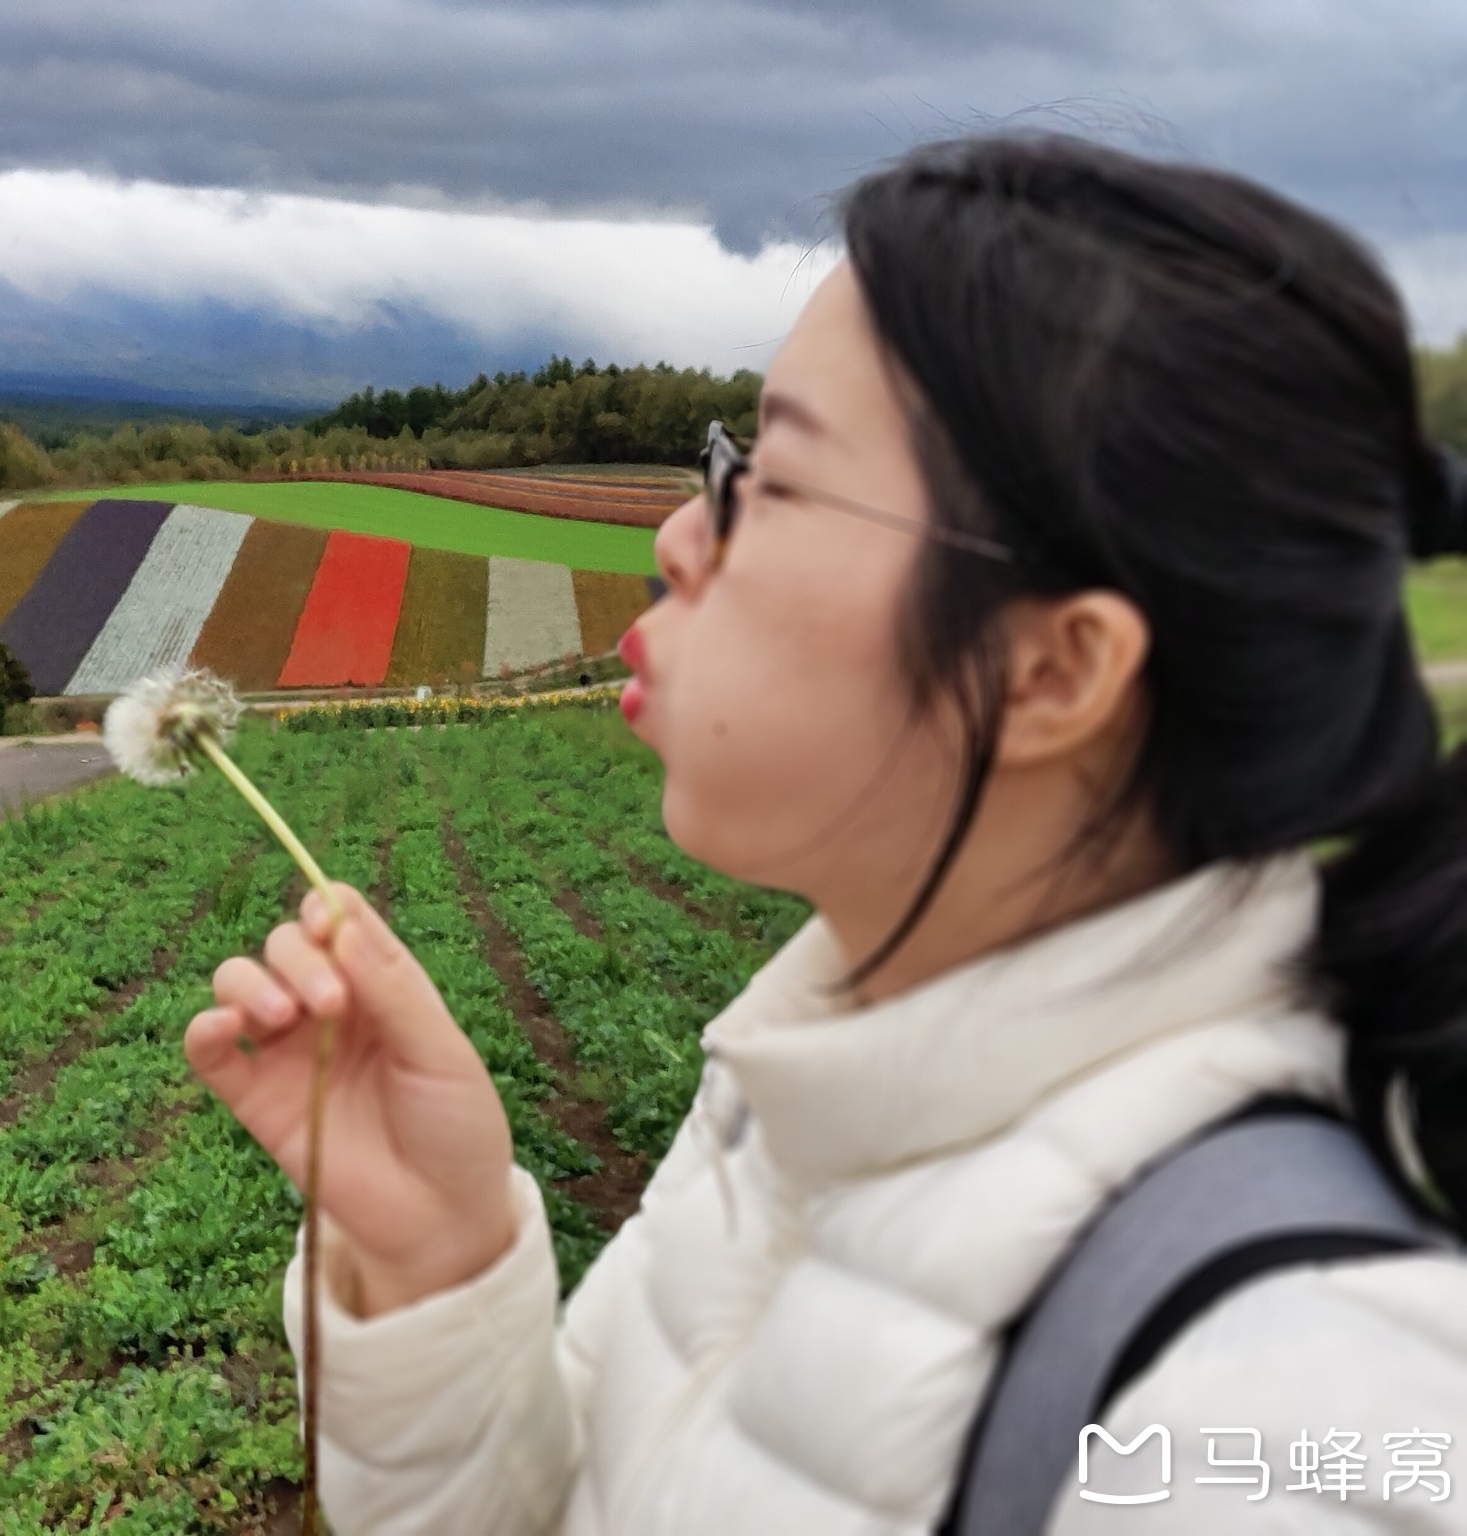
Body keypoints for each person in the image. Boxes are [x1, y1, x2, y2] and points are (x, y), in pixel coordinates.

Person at [183, 132, 1467, 1533]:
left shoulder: (1277, 1430)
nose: (681, 535)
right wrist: (439, 1264)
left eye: (770, 481)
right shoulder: (792, 1099)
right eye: (720, 457)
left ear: (1051, 673)